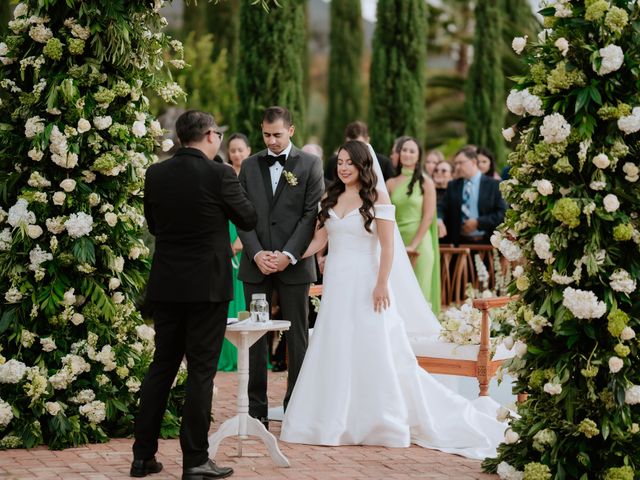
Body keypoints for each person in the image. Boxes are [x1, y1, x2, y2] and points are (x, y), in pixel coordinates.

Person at [280, 141, 504, 458]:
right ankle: (329, 418)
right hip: (337, 282)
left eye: (350, 163)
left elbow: (388, 247)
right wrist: (289, 257)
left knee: (372, 344)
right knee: (336, 342)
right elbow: (320, 238)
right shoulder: (331, 197)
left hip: (367, 281)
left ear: (363, 166)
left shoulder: (377, 198)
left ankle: (379, 420)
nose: (343, 168)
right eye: (340, 162)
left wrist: (382, 284)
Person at [133, 111, 257, 479]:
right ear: (208, 136)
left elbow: (154, 224)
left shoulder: (156, 173)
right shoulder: (220, 174)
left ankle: (142, 457)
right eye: (217, 133)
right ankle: (195, 460)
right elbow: (247, 218)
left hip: (168, 285)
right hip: (207, 287)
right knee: (201, 373)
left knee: (162, 367)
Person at [237, 106, 324, 429]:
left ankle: (296, 406)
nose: (271, 141)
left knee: (297, 335)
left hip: (295, 265)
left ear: (291, 130)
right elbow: (241, 213)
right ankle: (256, 409)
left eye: (277, 134)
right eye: (266, 134)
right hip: (256, 263)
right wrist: (257, 253)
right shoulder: (248, 165)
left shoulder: (311, 164)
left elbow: (309, 216)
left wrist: (288, 254)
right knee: (255, 336)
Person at [385, 137, 440, 314]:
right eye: (404, 150)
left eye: (412, 151)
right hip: (397, 242)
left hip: (420, 243)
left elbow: (428, 217)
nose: (407, 154)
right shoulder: (390, 183)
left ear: (418, 156)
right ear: (399, 154)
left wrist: (414, 245)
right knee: (399, 291)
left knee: (420, 289)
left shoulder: (426, 182)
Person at [217, 133, 252, 372]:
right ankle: (226, 353)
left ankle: (247, 354)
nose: (236, 154)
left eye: (240, 149)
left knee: (244, 295)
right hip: (225, 233)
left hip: (245, 236)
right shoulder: (224, 175)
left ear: (248, 151)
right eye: (233, 150)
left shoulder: (252, 176)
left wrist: (242, 241)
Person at [437, 145, 507, 245]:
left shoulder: (494, 185)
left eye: (460, 163)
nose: (457, 167)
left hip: (486, 244)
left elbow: (502, 213)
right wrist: (439, 220)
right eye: (456, 164)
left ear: (473, 162)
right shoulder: (453, 185)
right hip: (459, 244)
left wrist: (478, 222)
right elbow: (441, 207)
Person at [324, 121, 395, 184]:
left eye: (359, 144)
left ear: (367, 140)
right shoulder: (333, 162)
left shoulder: (384, 163)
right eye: (350, 144)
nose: (355, 149)